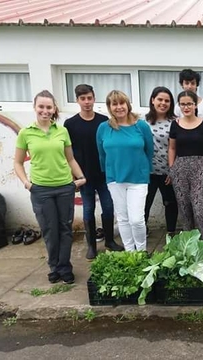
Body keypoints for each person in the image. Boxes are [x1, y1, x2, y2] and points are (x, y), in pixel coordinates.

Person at [14, 90, 86, 284]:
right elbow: (18, 163)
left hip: (64, 187)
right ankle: (54, 266)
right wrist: (27, 183)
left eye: (49, 107)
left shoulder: (61, 131)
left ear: (54, 108)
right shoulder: (26, 132)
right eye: (41, 107)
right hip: (41, 190)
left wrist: (81, 177)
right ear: (35, 107)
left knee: (65, 229)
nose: (45, 111)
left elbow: (70, 158)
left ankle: (65, 267)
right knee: (49, 229)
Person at [64, 84, 124, 260]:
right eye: (83, 99)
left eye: (89, 98)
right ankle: (91, 245)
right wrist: (73, 174)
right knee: (88, 209)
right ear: (77, 100)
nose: (87, 102)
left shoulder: (104, 121)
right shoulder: (71, 124)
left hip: (104, 173)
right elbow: (68, 152)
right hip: (84, 176)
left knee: (108, 207)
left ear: (94, 98)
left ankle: (110, 241)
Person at [96, 90, 153, 251]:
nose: (119, 107)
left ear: (128, 105)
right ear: (109, 107)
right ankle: (130, 252)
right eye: (114, 104)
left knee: (136, 219)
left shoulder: (141, 126)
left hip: (138, 178)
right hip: (114, 179)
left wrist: (145, 170)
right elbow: (101, 153)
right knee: (123, 218)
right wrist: (107, 174)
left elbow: (149, 150)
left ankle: (141, 252)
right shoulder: (103, 128)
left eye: (121, 103)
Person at [168, 90, 203, 242]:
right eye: (183, 104)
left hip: (201, 167)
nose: (186, 107)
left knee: (200, 210)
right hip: (180, 169)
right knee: (184, 209)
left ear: (195, 105)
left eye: (189, 103)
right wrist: (172, 169)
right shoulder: (175, 125)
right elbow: (172, 148)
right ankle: (189, 246)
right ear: (179, 106)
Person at [144, 86, 178, 236]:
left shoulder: (176, 122)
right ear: (152, 100)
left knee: (170, 203)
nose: (163, 103)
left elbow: (178, 148)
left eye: (167, 101)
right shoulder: (142, 122)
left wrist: (173, 170)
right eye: (160, 99)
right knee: (144, 204)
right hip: (147, 172)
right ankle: (142, 231)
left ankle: (171, 232)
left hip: (167, 172)